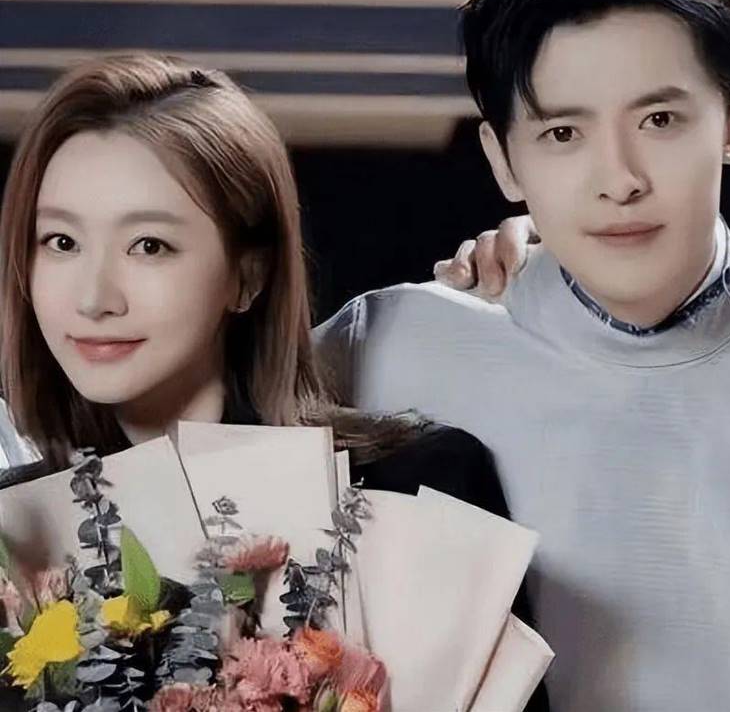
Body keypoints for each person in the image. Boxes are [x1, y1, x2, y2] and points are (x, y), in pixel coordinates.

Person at [313, 0, 730, 710]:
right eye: (563, 133)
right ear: (503, 158)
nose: (619, 180)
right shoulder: (385, 346)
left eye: (659, 119)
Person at [0, 52, 548, 711]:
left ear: (249, 275)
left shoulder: (420, 484)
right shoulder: (16, 532)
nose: (94, 298)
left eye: (149, 245)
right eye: (61, 242)